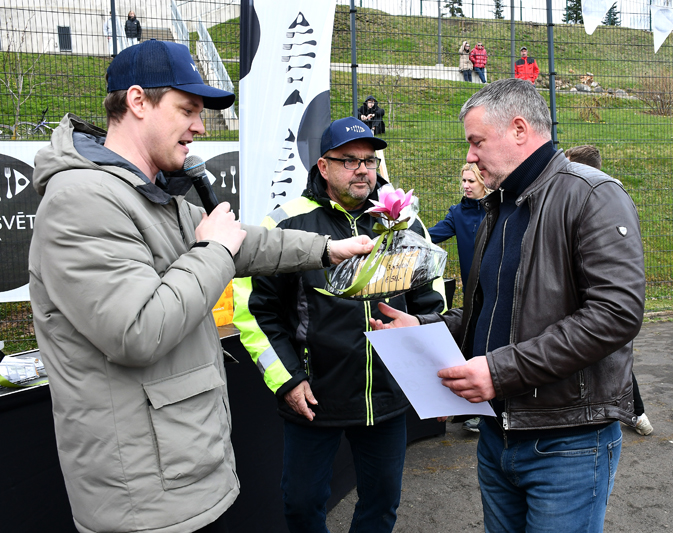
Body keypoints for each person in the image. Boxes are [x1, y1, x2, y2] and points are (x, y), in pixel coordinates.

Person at [28, 40, 372, 533]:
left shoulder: (145, 192)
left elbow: (244, 242)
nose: (200, 126)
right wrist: (213, 250)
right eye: (187, 110)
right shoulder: (82, 200)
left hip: (179, 470)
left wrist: (326, 250)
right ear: (138, 101)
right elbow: (137, 330)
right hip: (143, 497)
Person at [370, 78, 646, 532]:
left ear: (519, 129)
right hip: (497, 436)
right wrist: (423, 328)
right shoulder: (498, 207)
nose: (470, 156)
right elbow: (492, 310)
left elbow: (615, 315)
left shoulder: (591, 195)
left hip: (567, 442)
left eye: (477, 141)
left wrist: (499, 372)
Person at [232, 116, 447, 533]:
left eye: (369, 160)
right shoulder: (285, 222)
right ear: (323, 166)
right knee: (301, 505)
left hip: (386, 394)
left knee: (382, 503)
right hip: (314, 396)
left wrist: (433, 379)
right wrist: (288, 379)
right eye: (349, 160)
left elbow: (431, 300)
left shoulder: (404, 222)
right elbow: (255, 310)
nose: (362, 169)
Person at [565, 143, 653, 437]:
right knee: (609, 356)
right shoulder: (611, 196)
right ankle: (634, 412)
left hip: (598, 299)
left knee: (608, 356)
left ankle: (634, 412)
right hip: (601, 297)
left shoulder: (601, 199)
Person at [427, 162, 490, 434]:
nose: (465, 186)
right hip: (472, 293)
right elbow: (430, 236)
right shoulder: (457, 213)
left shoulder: (498, 210)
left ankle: (485, 412)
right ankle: (473, 407)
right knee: (472, 343)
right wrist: (401, 231)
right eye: (463, 181)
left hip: (496, 289)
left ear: (483, 182)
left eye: (470, 181)